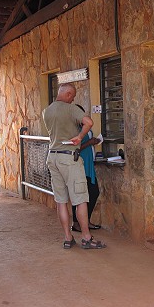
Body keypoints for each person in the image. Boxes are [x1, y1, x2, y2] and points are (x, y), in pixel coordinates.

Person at [42, 83, 106, 250]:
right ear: (68, 94)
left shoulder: (47, 111)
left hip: (53, 157)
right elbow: (88, 122)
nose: (73, 99)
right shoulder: (70, 109)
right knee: (81, 199)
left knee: (61, 201)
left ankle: (68, 238)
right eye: (73, 96)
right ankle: (86, 237)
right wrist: (80, 137)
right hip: (69, 158)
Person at [71, 105, 101, 233]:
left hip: (88, 163)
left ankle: (85, 221)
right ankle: (77, 223)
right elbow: (74, 148)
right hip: (80, 163)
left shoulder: (84, 126)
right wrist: (89, 143)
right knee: (81, 193)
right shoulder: (73, 129)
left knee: (92, 192)